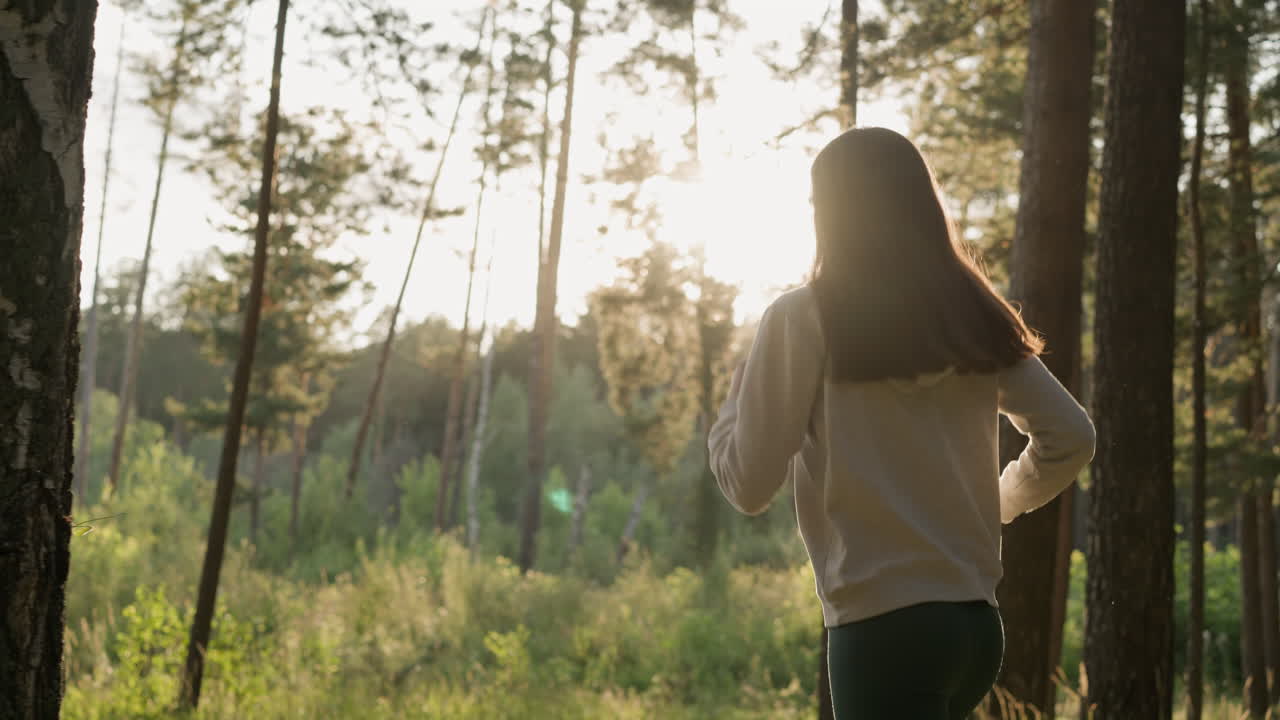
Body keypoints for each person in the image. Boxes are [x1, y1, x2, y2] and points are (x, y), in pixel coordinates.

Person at [707, 127, 1095, 719]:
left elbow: (749, 485)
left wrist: (730, 410)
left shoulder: (803, 318)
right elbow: (1071, 437)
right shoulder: (971, 315)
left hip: (883, 634)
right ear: (919, 204)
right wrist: (999, 503)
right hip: (973, 628)